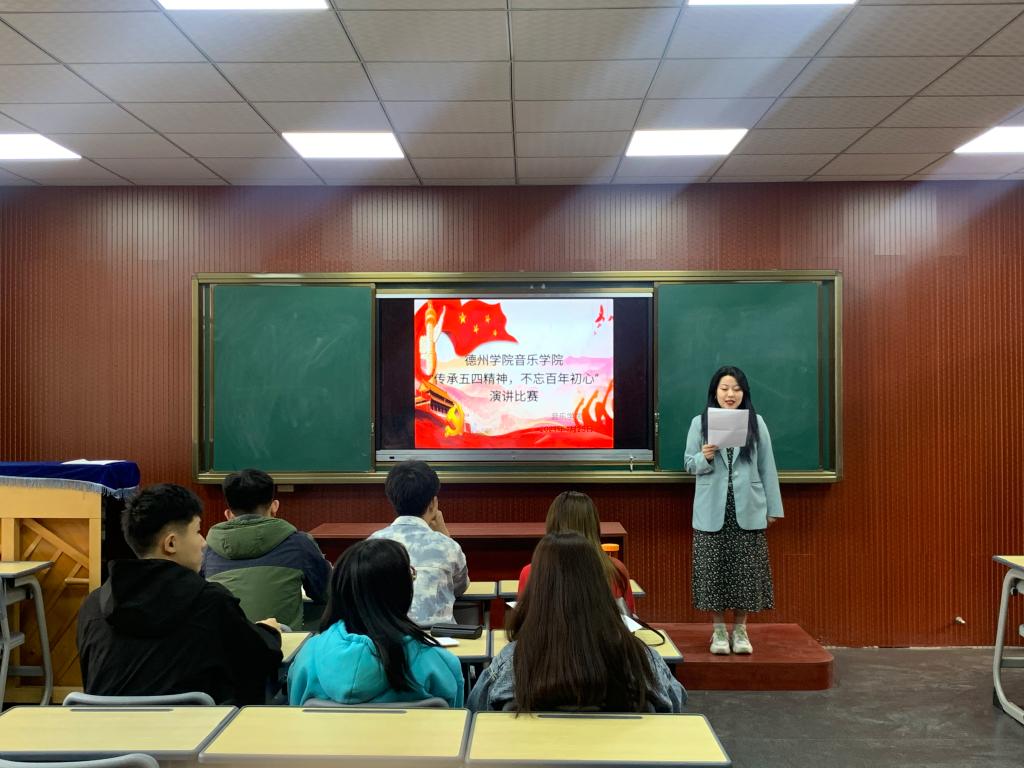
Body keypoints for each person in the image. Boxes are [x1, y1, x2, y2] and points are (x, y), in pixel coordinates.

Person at [77, 483, 283, 704]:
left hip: (104, 725)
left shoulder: (94, 605)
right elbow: (261, 659)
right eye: (197, 531)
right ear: (171, 543)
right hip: (198, 726)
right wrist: (270, 632)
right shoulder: (210, 602)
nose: (204, 543)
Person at [467, 532, 685, 713]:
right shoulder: (642, 660)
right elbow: (675, 710)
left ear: (538, 590)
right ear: (599, 587)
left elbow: (476, 715)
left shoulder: (512, 662)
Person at [287, 538, 464, 706]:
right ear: (402, 590)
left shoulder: (307, 656)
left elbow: (296, 716)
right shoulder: (440, 663)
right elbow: (456, 723)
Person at [684, 365, 783, 656]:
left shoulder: (756, 423)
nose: (730, 394)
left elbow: (767, 467)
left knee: (746, 573)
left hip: (748, 508)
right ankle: (717, 631)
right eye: (725, 388)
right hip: (711, 510)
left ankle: (740, 630)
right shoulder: (700, 423)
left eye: (737, 389)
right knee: (712, 571)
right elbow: (688, 464)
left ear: (744, 393)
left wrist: (773, 508)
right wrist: (704, 457)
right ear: (714, 391)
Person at [201, 468, 331, 630]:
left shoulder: (208, 552)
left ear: (228, 514)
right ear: (275, 506)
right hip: (281, 643)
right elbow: (327, 594)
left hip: (224, 643)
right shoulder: (299, 544)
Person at [369, 460, 469, 625]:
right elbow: (460, 587)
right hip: (438, 638)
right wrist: (445, 535)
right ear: (433, 503)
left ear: (392, 500)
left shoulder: (372, 544)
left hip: (387, 637)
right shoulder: (447, 546)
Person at [517, 490, 636, 615]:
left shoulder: (531, 572)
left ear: (552, 525)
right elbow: (628, 619)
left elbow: (525, 621)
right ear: (594, 526)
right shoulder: (615, 570)